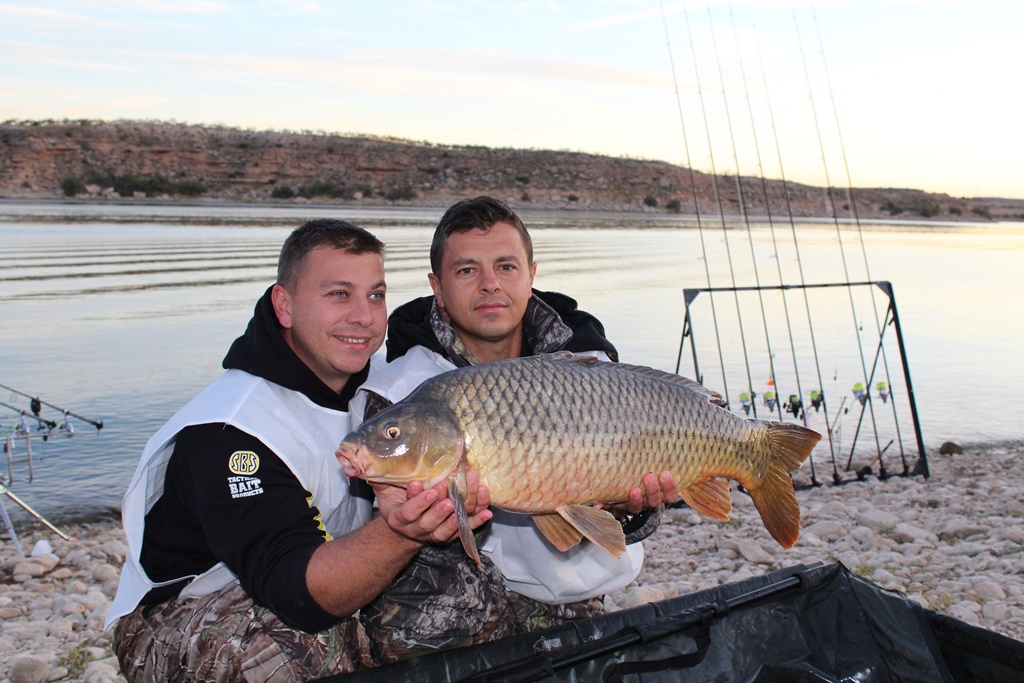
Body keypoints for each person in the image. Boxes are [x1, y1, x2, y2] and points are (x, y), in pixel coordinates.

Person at [104, 219, 492, 682]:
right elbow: (298, 596)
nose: (364, 317)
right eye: (338, 294)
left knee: (458, 597)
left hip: (314, 569)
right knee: (295, 648)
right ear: (284, 305)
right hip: (185, 614)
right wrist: (401, 532)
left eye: (376, 295)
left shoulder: (373, 384)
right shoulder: (233, 431)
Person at [357, 196, 679, 663]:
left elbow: (632, 516)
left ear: (531, 274)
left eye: (506, 266)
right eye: (467, 270)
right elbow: (376, 535)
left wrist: (634, 509)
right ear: (438, 287)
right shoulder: (397, 391)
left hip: (572, 593)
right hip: (445, 617)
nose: (490, 285)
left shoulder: (592, 366)